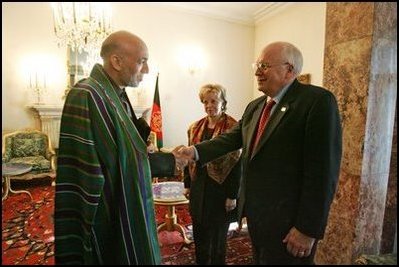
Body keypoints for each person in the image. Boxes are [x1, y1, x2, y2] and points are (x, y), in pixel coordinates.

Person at [178, 42, 342, 265]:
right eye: (257, 64)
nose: (257, 71)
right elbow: (230, 139)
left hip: (290, 224)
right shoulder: (255, 106)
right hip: (257, 217)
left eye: (264, 65)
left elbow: (323, 172)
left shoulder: (316, 102)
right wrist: (194, 151)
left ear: (289, 70)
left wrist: (307, 229)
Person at [54, 31, 185, 265]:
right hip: (105, 208)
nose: (146, 70)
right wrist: (170, 161)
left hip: (120, 199)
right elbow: (109, 162)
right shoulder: (87, 94)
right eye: (142, 61)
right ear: (116, 61)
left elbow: (127, 144)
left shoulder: (115, 94)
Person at [183, 84, 241, 265]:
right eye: (205, 101)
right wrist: (187, 184)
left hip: (221, 190)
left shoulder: (233, 127)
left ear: (223, 102)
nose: (209, 105)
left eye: (214, 101)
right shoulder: (195, 127)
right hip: (199, 187)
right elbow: (188, 157)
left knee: (217, 240)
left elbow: (237, 164)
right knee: (199, 234)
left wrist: (232, 195)